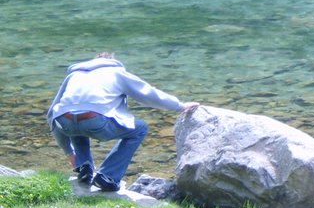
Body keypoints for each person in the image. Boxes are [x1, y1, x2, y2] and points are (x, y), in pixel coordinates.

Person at [46, 52, 199, 192]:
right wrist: (179, 106)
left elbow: (52, 114)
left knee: (75, 118)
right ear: (112, 61)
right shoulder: (117, 73)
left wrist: (69, 152)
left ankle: (83, 166)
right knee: (139, 129)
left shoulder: (74, 75)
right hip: (95, 121)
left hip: (64, 123)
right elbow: (148, 93)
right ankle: (107, 176)